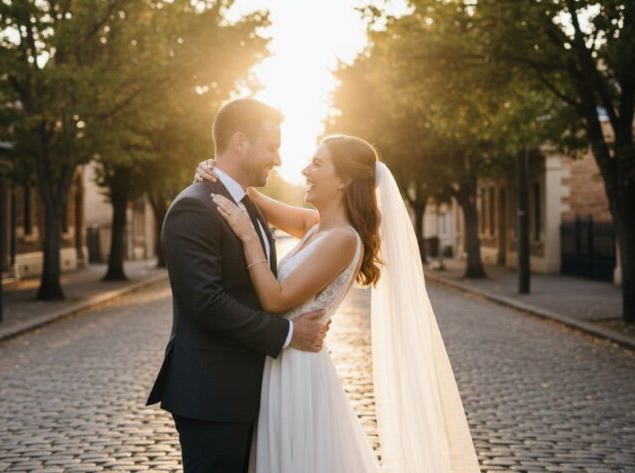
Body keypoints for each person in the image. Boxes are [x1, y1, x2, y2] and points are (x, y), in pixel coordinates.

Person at [194, 132, 481, 472]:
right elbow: (252, 199)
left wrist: (247, 237)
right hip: (282, 363)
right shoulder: (317, 227)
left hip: (297, 371)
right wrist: (219, 173)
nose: (305, 170)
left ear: (344, 179)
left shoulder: (344, 239)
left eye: (316, 164)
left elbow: (275, 299)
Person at [146, 98, 330, 473]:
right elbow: (205, 302)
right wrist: (288, 333)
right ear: (241, 143)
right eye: (272, 147)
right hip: (212, 396)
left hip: (251, 391)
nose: (278, 160)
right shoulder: (193, 208)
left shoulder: (248, 204)